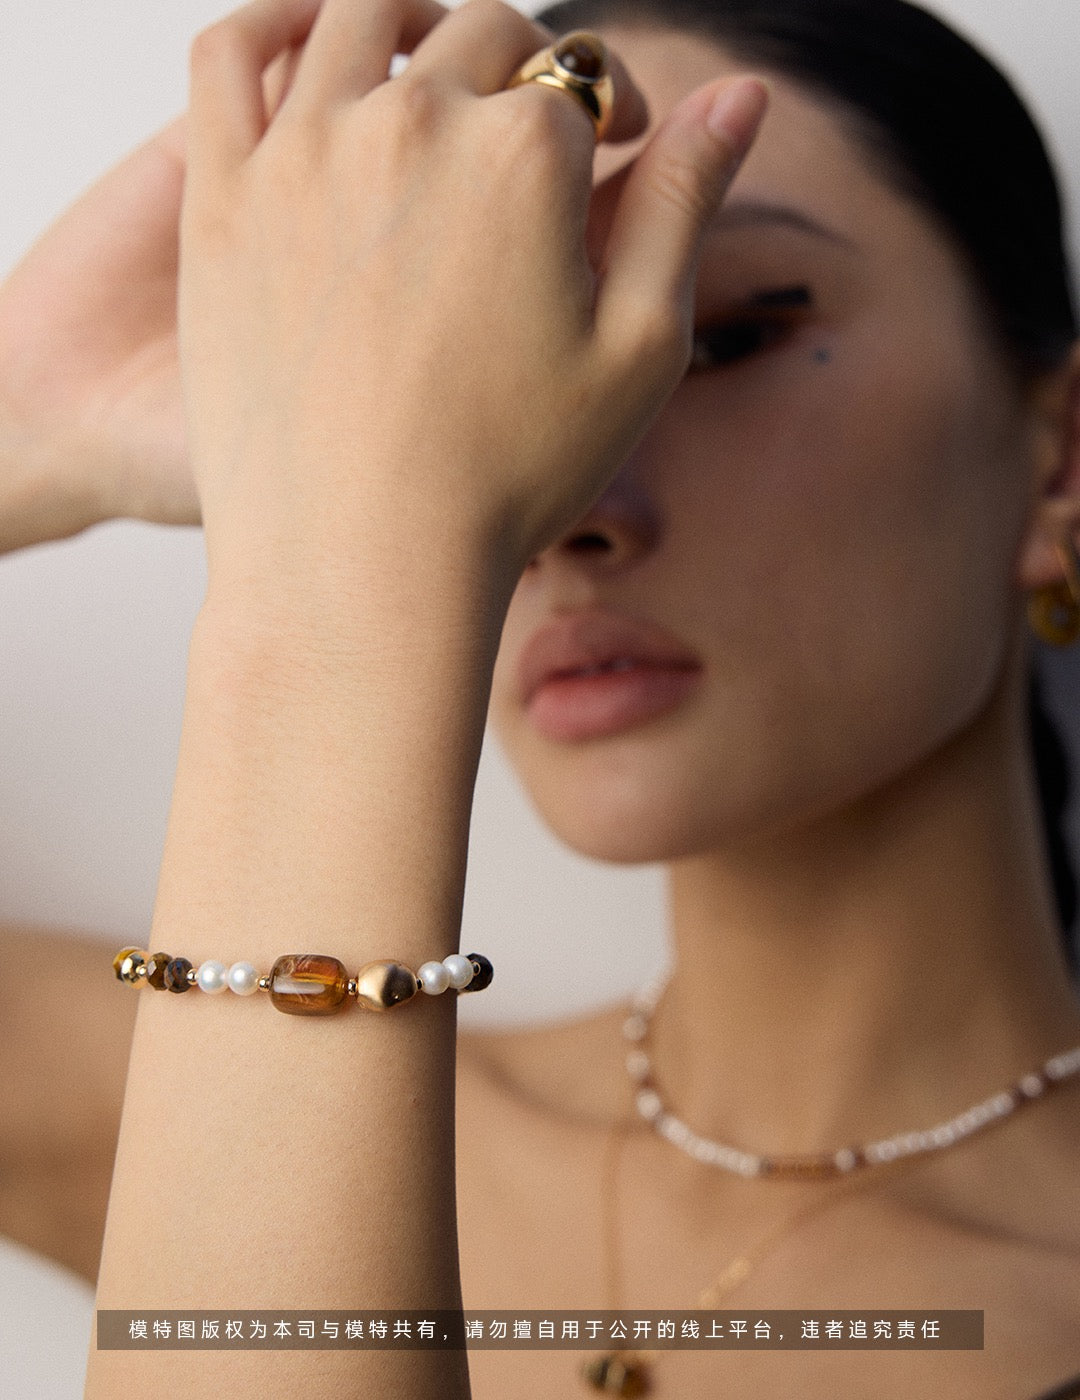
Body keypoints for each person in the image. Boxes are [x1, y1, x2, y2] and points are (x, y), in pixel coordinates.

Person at [0, 0, 1078, 1395]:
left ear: (1061, 458)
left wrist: (344, 567)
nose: (564, 501)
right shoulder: (164, 1111)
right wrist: (25, 428)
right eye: (500, 384)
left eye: (726, 339)